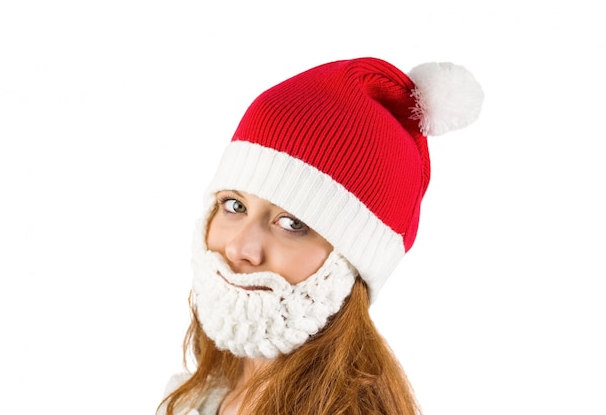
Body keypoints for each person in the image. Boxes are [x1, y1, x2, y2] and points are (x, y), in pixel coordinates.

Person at [158, 57, 484, 415]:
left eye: (292, 224)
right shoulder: (194, 401)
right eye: (234, 205)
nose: (240, 248)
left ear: (354, 262)